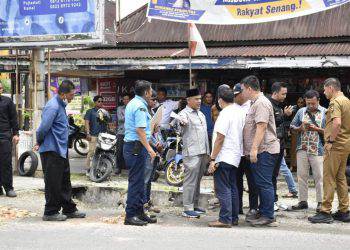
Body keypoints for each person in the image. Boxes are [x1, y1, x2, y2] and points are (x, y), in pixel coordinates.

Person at [35, 80, 86, 221]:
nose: (72, 97)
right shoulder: (52, 106)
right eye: (71, 95)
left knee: (64, 182)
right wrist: (39, 142)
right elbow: (42, 129)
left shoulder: (60, 105)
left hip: (60, 150)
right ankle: (50, 212)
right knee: (53, 182)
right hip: (51, 150)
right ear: (63, 94)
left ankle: (69, 208)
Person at [309, 78, 350, 223]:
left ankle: (325, 211)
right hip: (345, 144)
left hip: (335, 145)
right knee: (341, 178)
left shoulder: (335, 102)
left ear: (331, 88)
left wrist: (330, 141)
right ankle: (344, 211)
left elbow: (337, 123)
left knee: (328, 178)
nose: (324, 92)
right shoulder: (346, 100)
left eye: (325, 89)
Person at [241, 75, 280, 226]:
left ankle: (268, 215)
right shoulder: (255, 103)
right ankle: (264, 212)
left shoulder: (261, 103)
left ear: (249, 88)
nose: (242, 93)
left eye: (243, 90)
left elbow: (262, 126)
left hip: (265, 150)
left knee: (264, 183)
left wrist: (254, 149)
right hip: (262, 150)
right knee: (261, 183)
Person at [208, 87, 245, 228]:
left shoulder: (225, 114)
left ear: (220, 100)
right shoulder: (239, 112)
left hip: (223, 156)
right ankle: (233, 218)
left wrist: (212, 158)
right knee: (232, 188)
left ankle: (224, 219)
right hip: (235, 155)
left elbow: (220, 138)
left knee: (222, 188)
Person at [123, 80, 157, 226]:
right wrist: (150, 149)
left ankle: (139, 212)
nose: (151, 93)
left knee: (140, 181)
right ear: (146, 92)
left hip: (135, 146)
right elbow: (140, 130)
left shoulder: (135, 103)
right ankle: (130, 215)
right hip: (136, 147)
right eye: (150, 90)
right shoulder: (140, 107)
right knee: (136, 182)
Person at [289, 90, 326, 212]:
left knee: (319, 176)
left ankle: (321, 202)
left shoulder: (325, 112)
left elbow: (330, 132)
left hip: (318, 149)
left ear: (318, 101)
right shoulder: (301, 111)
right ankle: (303, 201)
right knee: (301, 176)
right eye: (308, 103)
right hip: (302, 148)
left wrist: (317, 129)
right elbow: (292, 127)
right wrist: (300, 128)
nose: (310, 106)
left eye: (313, 103)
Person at [178, 88, 210, 218]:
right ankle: (187, 208)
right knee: (190, 180)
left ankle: (194, 205)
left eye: (200, 99)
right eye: (196, 99)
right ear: (188, 100)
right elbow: (180, 124)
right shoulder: (183, 114)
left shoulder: (200, 114)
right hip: (192, 152)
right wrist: (181, 123)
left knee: (198, 179)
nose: (199, 101)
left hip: (203, 152)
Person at [232, 83, 259, 217]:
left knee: (252, 181)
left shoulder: (253, 105)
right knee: (237, 182)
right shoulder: (232, 108)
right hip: (237, 151)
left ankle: (253, 208)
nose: (237, 97)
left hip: (250, 151)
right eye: (235, 95)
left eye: (239, 94)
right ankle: (238, 208)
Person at [268, 82, 295, 210]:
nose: (285, 96)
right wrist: (285, 115)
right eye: (283, 93)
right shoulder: (268, 104)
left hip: (279, 145)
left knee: (274, 174)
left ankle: (274, 200)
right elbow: (270, 124)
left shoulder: (278, 106)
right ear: (275, 92)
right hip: (271, 146)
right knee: (270, 175)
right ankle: (270, 201)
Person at [144, 91, 162, 214]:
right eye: (152, 99)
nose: (154, 101)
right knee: (145, 179)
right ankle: (143, 204)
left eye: (155, 99)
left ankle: (147, 201)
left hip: (154, 150)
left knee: (149, 178)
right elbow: (145, 135)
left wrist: (160, 142)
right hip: (146, 150)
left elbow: (156, 132)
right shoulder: (143, 113)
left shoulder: (152, 113)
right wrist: (155, 144)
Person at [0, 82, 19, 197]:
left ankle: (8, 188)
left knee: (6, 162)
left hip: (5, 135)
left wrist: (16, 133)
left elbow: (14, 118)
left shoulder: (7, 101)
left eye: (1, 88)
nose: (0, 89)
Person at [84, 95, 107, 175]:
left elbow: (106, 123)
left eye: (102, 101)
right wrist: (88, 133)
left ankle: (99, 169)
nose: (100, 103)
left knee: (102, 153)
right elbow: (86, 122)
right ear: (95, 102)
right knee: (92, 152)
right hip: (93, 135)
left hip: (103, 136)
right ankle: (88, 169)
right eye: (99, 101)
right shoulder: (90, 111)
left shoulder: (103, 112)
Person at [116, 93, 131, 173]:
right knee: (119, 150)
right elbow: (120, 119)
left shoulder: (133, 108)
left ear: (130, 100)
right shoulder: (120, 108)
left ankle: (127, 166)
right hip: (121, 132)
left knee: (129, 151)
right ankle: (118, 167)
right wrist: (129, 116)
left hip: (130, 132)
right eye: (124, 99)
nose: (126, 100)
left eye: (127, 99)